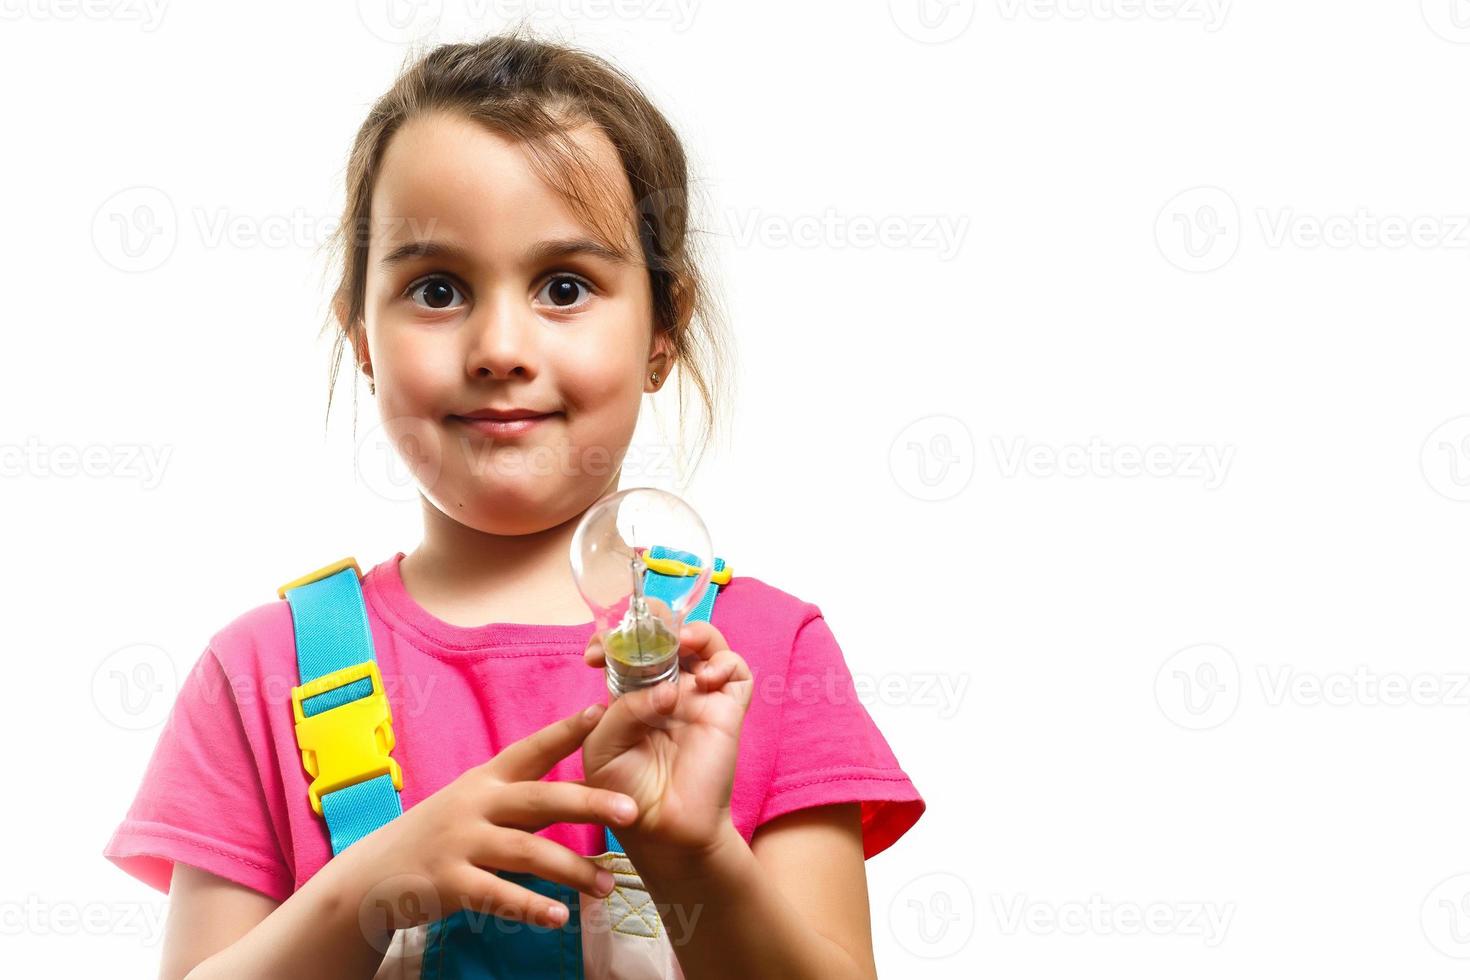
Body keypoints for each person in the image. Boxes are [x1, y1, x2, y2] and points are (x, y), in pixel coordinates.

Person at [104, 28, 924, 979]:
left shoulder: (766, 658)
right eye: (438, 288)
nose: (500, 346)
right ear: (360, 333)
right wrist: (363, 892)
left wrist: (695, 860)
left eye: (564, 286)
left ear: (665, 329)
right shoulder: (258, 675)